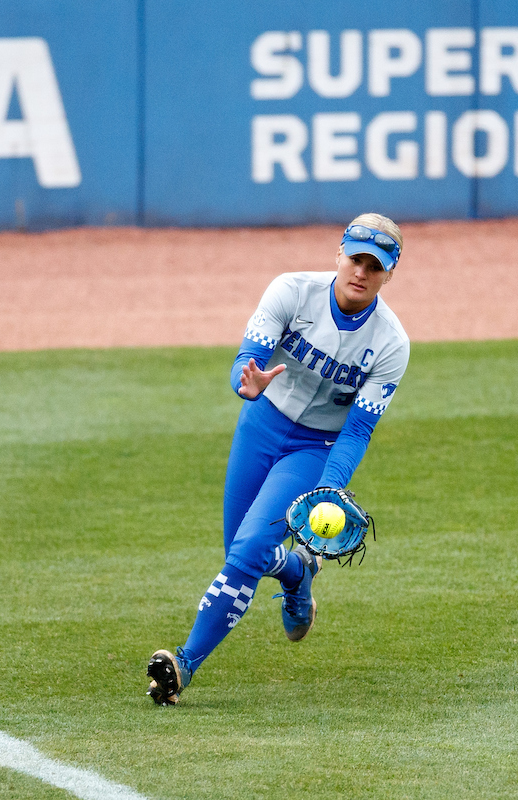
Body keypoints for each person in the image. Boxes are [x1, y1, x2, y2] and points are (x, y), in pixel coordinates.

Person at [147, 213, 411, 705]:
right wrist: (242, 385)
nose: (361, 272)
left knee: (246, 553)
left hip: (316, 448)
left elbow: (358, 428)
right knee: (238, 550)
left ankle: (183, 665)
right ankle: (296, 572)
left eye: (375, 266)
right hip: (262, 424)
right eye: (356, 258)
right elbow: (247, 359)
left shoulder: (391, 344)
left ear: (389, 274)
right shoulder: (291, 291)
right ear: (339, 253)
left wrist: (328, 488)